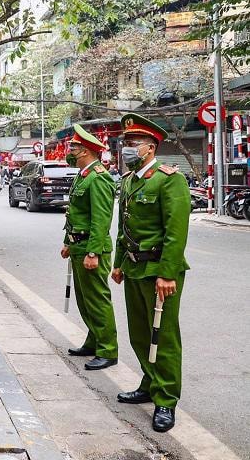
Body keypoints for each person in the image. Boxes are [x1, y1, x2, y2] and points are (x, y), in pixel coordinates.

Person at [111, 113, 190, 433]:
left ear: (150, 147)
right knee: (140, 333)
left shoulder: (169, 179)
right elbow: (123, 228)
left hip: (160, 269)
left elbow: (176, 231)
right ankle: (149, 382)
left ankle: (166, 399)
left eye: (132, 144)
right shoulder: (130, 180)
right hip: (133, 266)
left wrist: (168, 273)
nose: (126, 149)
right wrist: (118, 263)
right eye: (125, 143)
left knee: (164, 336)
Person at [60, 124, 118, 371]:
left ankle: (108, 349)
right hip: (78, 246)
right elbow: (75, 213)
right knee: (84, 300)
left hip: (91, 249)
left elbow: (101, 219)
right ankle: (94, 340)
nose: (70, 150)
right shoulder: (83, 175)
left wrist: (93, 252)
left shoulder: (99, 178)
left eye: (73, 147)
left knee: (97, 300)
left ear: (84, 151)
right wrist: (67, 242)